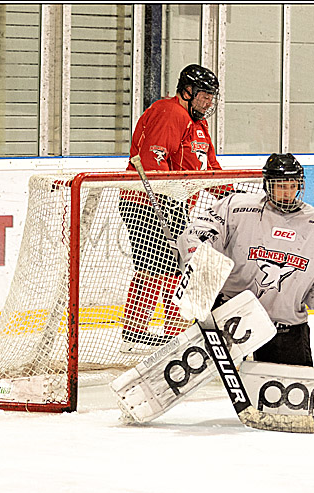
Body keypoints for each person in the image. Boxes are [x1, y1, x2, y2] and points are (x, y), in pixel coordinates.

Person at [177, 153, 314, 366]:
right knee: (221, 386)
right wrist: (200, 259)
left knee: (294, 390)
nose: (288, 193)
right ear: (267, 185)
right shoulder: (236, 208)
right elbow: (199, 231)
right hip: (232, 321)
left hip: (287, 329)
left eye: (292, 185)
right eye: (281, 186)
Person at [119, 64, 225, 353]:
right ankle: (136, 332)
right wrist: (168, 200)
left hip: (173, 203)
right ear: (187, 91)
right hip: (146, 201)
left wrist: (231, 193)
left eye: (211, 97)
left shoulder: (198, 125)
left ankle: (169, 330)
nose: (208, 102)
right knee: (157, 268)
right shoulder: (170, 112)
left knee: (175, 268)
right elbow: (153, 161)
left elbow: (208, 168)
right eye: (204, 95)